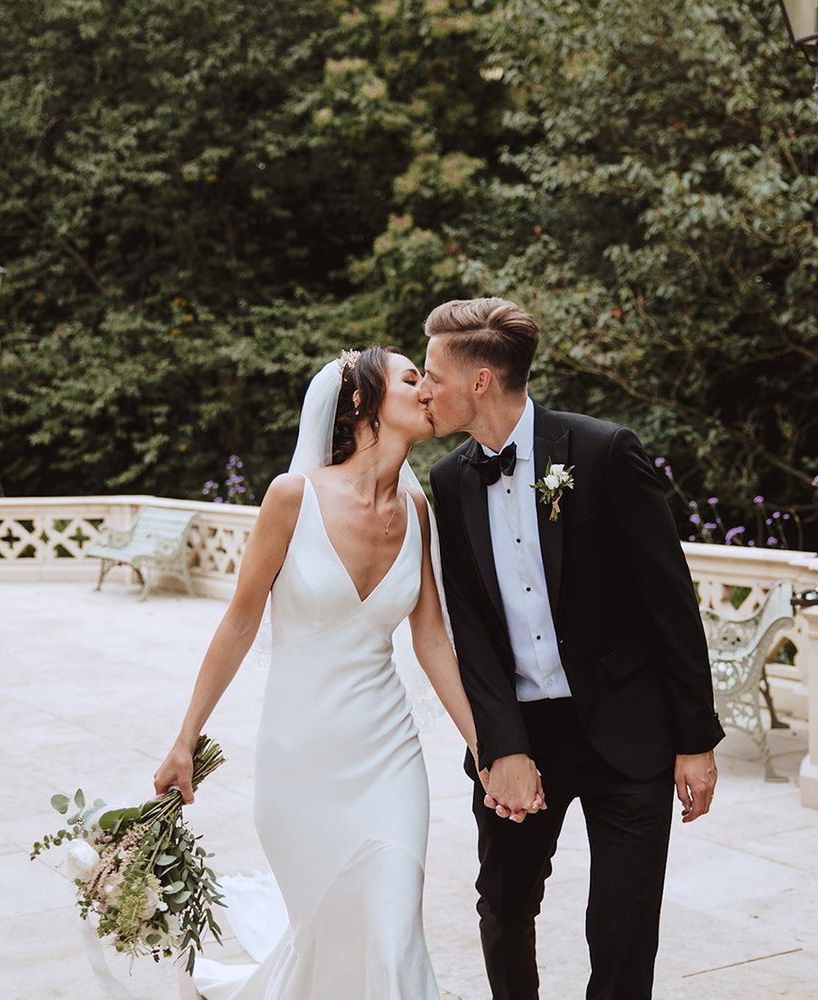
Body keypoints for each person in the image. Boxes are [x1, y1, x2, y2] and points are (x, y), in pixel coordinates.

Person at [153, 347, 501, 999]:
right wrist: (184, 739)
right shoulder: (292, 499)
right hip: (300, 761)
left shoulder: (417, 514)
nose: (427, 389)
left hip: (388, 757)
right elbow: (237, 623)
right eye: (409, 379)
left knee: (395, 931)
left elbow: (431, 643)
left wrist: (488, 746)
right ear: (364, 403)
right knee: (332, 940)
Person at [419, 297, 725, 1000]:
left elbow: (670, 604)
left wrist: (696, 740)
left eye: (434, 373)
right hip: (525, 733)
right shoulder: (446, 482)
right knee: (503, 905)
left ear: (482, 380)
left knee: (623, 927)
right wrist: (500, 747)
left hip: (630, 726)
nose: (424, 388)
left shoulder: (603, 450)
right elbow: (468, 629)